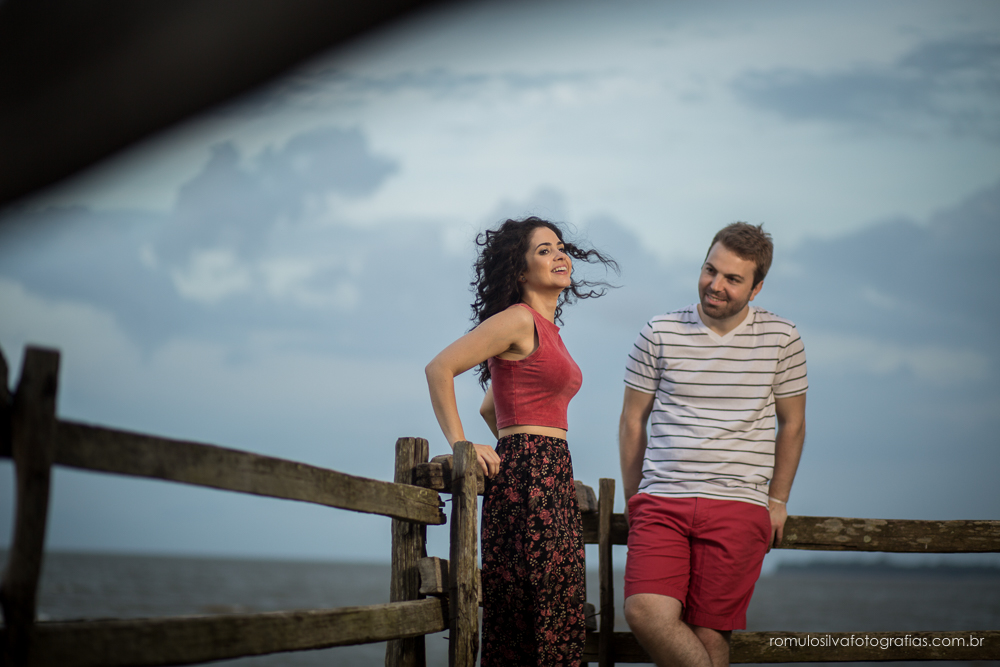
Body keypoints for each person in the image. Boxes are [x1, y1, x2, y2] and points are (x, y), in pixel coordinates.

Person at [425, 216, 616, 667]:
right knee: (532, 612)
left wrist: (512, 445)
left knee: (558, 609)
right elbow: (439, 369)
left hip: (549, 472)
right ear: (520, 270)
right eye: (544, 250)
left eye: (561, 247)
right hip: (529, 481)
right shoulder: (516, 319)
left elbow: (493, 406)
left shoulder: (549, 331)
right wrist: (465, 447)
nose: (559, 255)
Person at [619, 222, 807, 667]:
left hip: (740, 503)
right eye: (710, 270)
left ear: (756, 288)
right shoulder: (658, 331)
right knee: (645, 611)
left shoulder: (783, 338)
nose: (715, 285)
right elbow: (632, 421)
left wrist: (777, 499)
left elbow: (793, 425)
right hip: (663, 498)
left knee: (709, 632)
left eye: (732, 279)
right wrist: (634, 495)